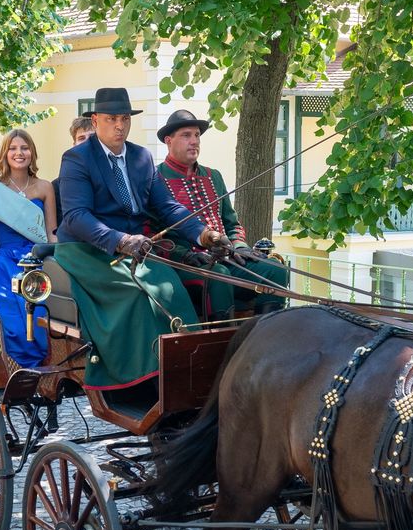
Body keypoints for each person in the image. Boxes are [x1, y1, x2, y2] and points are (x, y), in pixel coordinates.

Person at [54, 87, 227, 390]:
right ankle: (141, 378)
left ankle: (185, 371)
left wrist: (202, 233)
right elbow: (76, 216)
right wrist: (120, 240)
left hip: (135, 248)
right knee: (138, 294)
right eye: (111, 119)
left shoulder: (141, 157)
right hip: (86, 248)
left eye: (124, 118)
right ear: (95, 121)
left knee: (167, 285)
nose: (119, 126)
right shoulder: (76, 158)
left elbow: (165, 206)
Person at [155, 109, 288, 318]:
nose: (194, 141)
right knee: (220, 276)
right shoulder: (155, 178)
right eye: (186, 135)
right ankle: (222, 342)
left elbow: (231, 223)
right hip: (183, 266)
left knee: (276, 270)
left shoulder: (213, 176)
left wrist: (240, 247)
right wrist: (185, 255)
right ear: (168, 140)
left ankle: (264, 334)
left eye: (197, 135)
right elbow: (154, 236)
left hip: (226, 259)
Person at [0, 130, 56, 368]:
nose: (19, 153)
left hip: (38, 259)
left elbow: (51, 234)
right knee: (18, 316)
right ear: (5, 153)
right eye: (13, 148)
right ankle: (23, 365)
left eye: (24, 148)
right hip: (6, 262)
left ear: (32, 153)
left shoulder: (45, 187)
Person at [51, 116, 94, 235]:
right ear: (74, 144)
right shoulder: (56, 186)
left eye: (92, 137)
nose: (87, 142)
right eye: (81, 138)